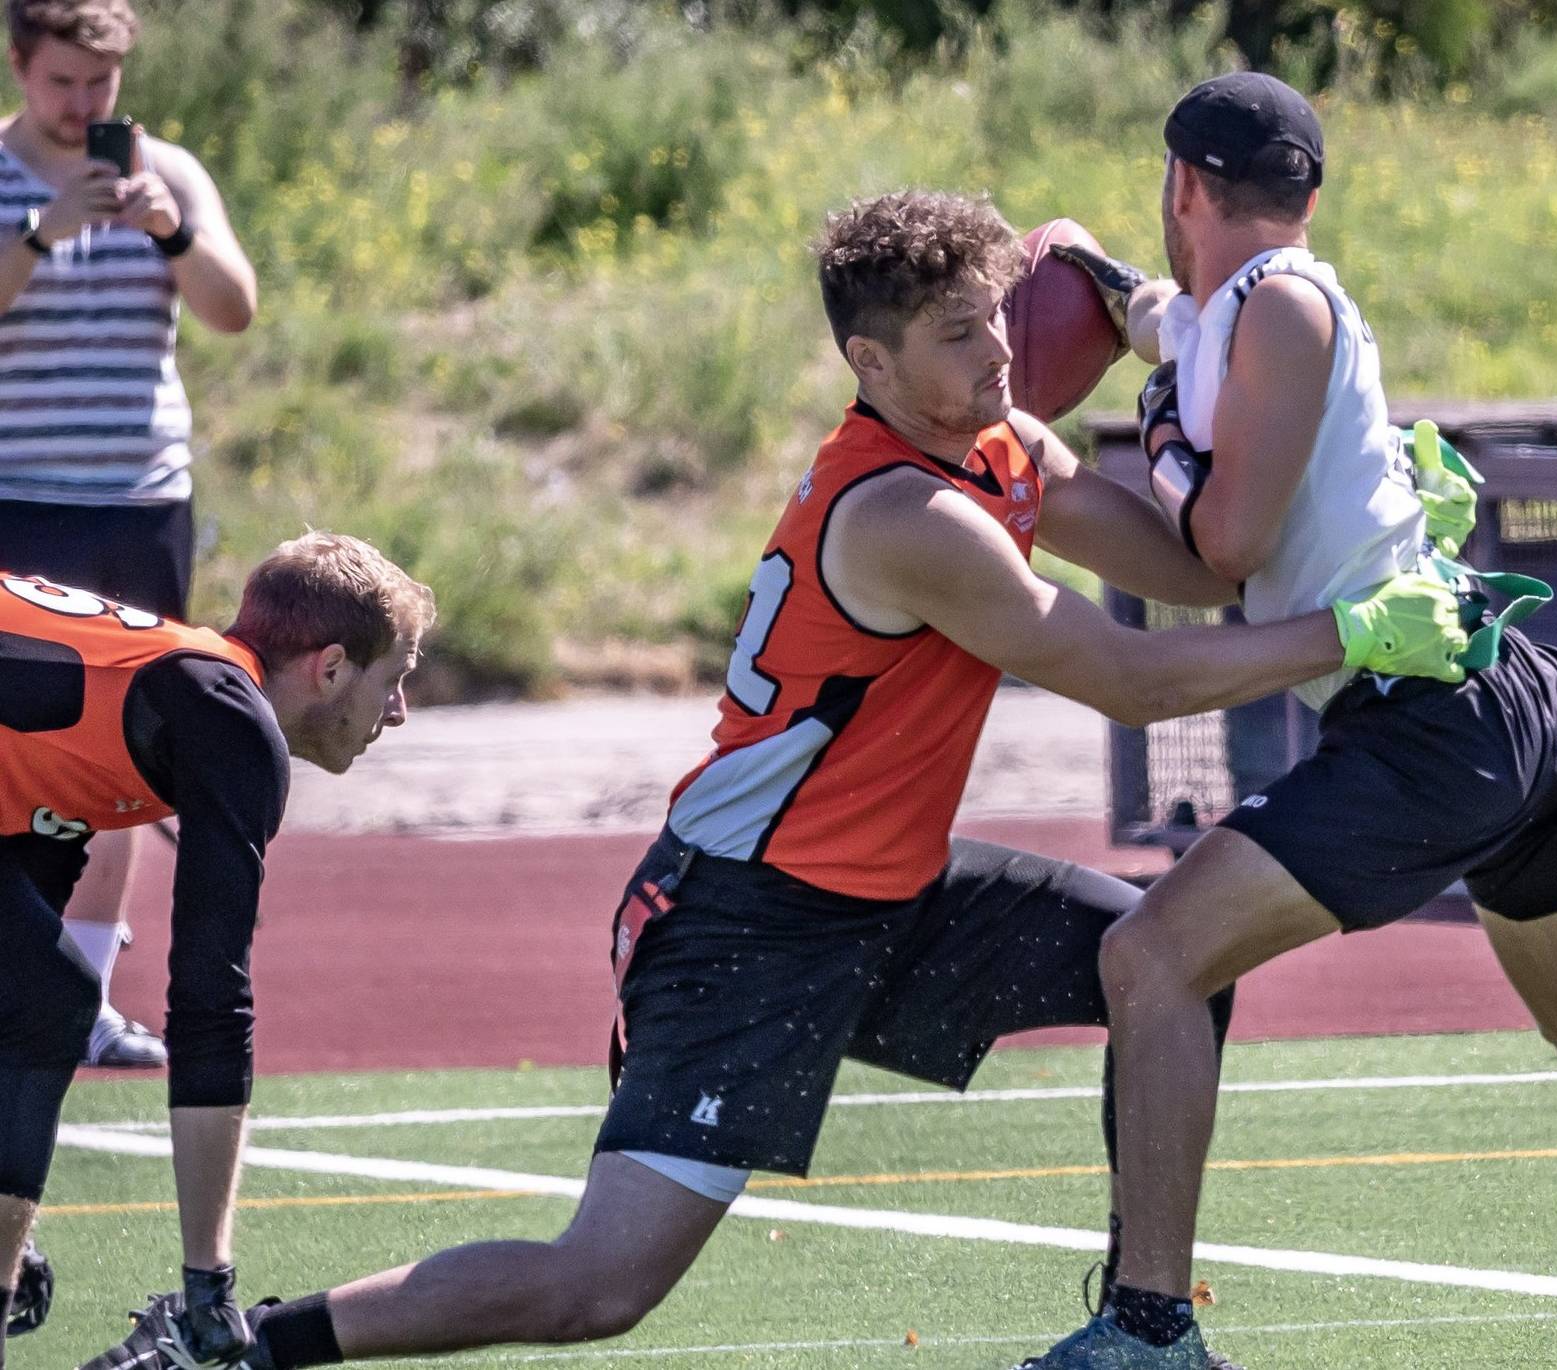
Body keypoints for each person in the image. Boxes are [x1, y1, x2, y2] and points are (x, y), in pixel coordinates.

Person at [79, 189, 1470, 1370]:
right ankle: (241, 1343)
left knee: (1166, 957)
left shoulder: (1001, 448)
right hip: (746, 921)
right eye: (953, 334)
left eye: (996, 318)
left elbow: (1196, 561)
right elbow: (1128, 674)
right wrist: (1351, 629)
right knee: (597, 1288)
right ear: (867, 362)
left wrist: (1320, 492)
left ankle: (1141, 1327)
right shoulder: (903, 515)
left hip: (892, 895)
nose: (996, 353)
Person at [1018, 73, 1557, 1370]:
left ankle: (1148, 1329)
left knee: (1151, 958)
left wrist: (1148, 433)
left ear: (1185, 184)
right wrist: (1067, 274)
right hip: (1488, 694)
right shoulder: (1226, 306)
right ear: (1307, 188)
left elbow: (1224, 542)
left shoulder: (1281, 308)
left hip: (1430, 722)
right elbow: (1153, 318)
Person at [0, 533, 433, 1369]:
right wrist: (209, 1286)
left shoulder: (168, 688)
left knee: (38, 994)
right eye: (397, 677)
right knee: (51, 1001)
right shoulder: (227, 722)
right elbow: (209, 1001)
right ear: (332, 666)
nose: (401, 709)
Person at [2, 0, 260, 1070]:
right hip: (19, 498)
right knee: (16, 752)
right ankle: (20, 980)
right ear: (22, 67)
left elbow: (234, 308)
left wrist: (173, 230)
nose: (82, 107)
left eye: (99, 86)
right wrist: (38, 233)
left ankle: (88, 990)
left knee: (130, 749)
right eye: (63, 84)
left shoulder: (174, 172)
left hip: (143, 500)